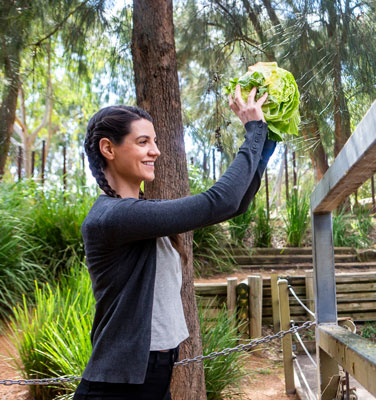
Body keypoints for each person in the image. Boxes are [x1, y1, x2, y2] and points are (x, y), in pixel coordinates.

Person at [74, 86, 274, 399]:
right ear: (108, 149)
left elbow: (235, 205)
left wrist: (262, 151)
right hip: (120, 387)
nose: (156, 151)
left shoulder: (137, 215)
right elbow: (218, 202)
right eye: (143, 142)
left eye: (155, 141)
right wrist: (254, 131)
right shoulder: (113, 216)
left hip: (152, 376)